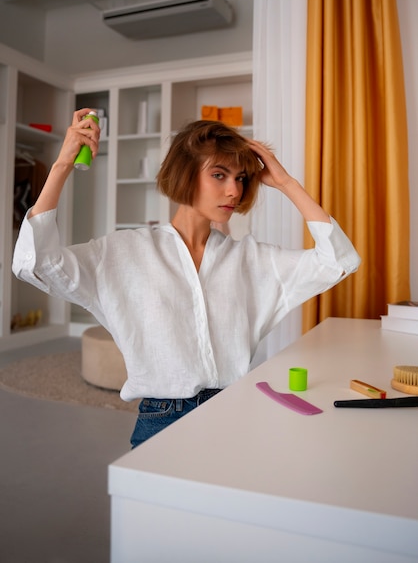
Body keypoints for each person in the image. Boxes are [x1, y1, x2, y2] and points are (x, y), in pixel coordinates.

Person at [12, 109, 361, 448]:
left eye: (240, 178)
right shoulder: (124, 252)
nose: (234, 191)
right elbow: (35, 263)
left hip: (235, 415)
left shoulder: (251, 259)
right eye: (219, 175)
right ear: (185, 173)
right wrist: (62, 165)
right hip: (162, 421)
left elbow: (339, 261)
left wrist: (286, 184)